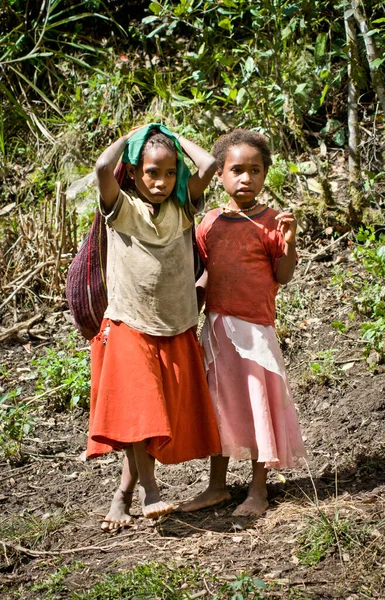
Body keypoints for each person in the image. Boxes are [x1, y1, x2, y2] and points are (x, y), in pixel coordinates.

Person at [88, 124, 221, 530]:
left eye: (167, 173)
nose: (160, 182)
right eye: (150, 172)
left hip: (175, 326)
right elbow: (100, 167)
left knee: (151, 417)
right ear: (133, 171)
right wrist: (132, 137)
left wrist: (172, 140)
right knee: (139, 410)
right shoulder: (121, 207)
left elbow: (211, 163)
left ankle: (121, 495)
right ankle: (150, 488)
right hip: (129, 320)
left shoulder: (184, 208)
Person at [180, 129, 306, 517]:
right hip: (216, 330)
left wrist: (290, 242)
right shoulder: (209, 223)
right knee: (221, 406)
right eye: (237, 170)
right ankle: (216, 486)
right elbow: (204, 276)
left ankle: (258, 489)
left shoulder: (272, 222)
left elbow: (282, 275)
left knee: (258, 406)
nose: (245, 178)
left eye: (255, 170)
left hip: (255, 332)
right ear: (219, 175)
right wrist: (186, 318)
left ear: (266, 174)